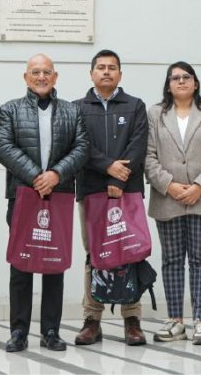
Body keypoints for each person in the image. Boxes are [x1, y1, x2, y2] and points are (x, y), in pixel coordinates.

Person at [0, 53, 89, 352]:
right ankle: (18, 331)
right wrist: (37, 176)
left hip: (58, 196)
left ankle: (51, 331)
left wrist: (56, 174)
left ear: (55, 76)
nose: (41, 77)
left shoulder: (72, 111)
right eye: (35, 72)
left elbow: (82, 147)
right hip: (23, 195)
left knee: (53, 263)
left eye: (46, 72)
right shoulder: (9, 110)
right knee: (20, 264)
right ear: (26, 77)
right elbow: (3, 147)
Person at [144, 62, 201, 345]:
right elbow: (148, 156)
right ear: (168, 85)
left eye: (186, 77)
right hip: (167, 198)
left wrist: (200, 186)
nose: (181, 81)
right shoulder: (155, 113)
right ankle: (175, 321)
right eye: (175, 78)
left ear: (195, 83)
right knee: (171, 261)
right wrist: (168, 184)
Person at [73, 49, 148, 346]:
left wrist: (118, 178)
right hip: (91, 190)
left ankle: (132, 319)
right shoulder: (77, 108)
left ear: (120, 73)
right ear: (91, 73)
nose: (106, 72)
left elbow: (139, 145)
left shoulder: (135, 105)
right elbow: (80, 146)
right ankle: (92, 319)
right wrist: (108, 168)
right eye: (101, 67)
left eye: (112, 67)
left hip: (127, 190)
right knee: (94, 254)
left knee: (131, 250)